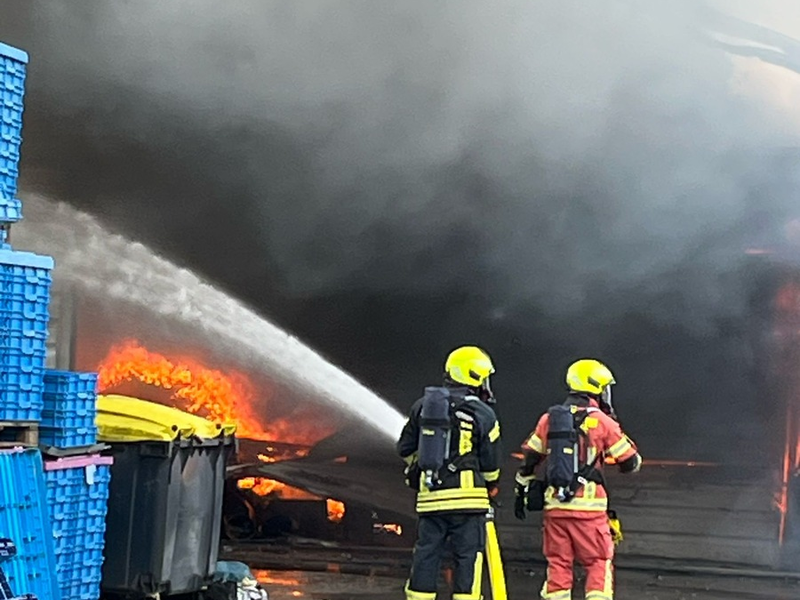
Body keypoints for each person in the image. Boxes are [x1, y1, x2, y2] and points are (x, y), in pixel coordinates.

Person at [514, 358, 642, 600]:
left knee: (559, 565)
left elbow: (530, 458)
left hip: (555, 509)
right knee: (597, 562)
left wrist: (522, 486)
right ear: (595, 387)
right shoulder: (603, 422)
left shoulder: (549, 419)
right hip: (590, 513)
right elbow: (630, 462)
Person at [397, 345, 502, 600]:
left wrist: (420, 467)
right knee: (468, 557)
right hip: (468, 502)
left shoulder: (423, 407)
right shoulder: (483, 413)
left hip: (430, 499)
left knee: (426, 553)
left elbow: (405, 448)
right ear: (475, 377)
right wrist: (491, 485)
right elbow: (490, 461)